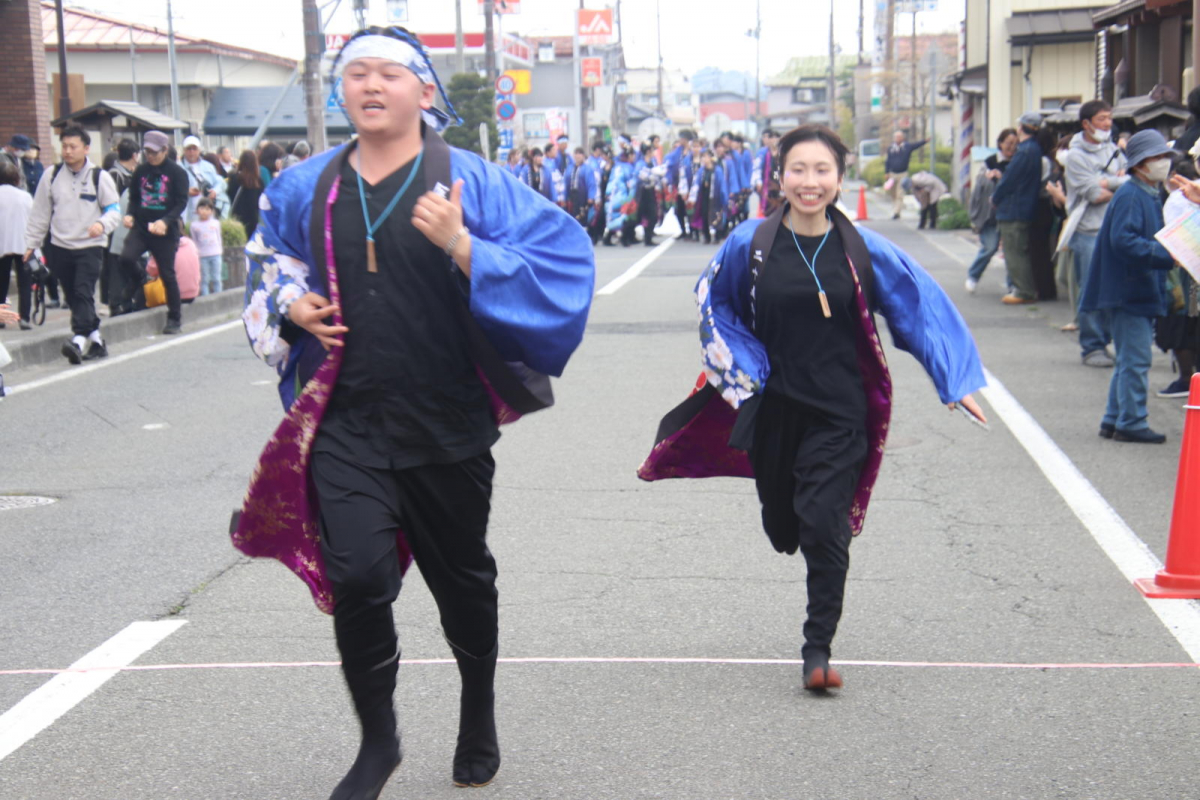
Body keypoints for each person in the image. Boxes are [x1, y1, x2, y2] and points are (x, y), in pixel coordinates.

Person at [229, 25, 593, 799]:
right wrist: (290, 303)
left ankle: (479, 710)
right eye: (354, 73)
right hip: (345, 421)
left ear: (424, 92)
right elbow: (266, 257)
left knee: (462, 582)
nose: (369, 86)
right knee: (359, 576)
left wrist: (467, 247)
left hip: (445, 419)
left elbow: (564, 261)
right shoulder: (308, 186)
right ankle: (379, 741)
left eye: (388, 74)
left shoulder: (474, 181)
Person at [638, 123, 985, 692]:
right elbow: (713, 305)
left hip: (840, 411)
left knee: (824, 523)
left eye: (822, 170)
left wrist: (953, 378)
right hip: (774, 408)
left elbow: (916, 308)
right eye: (798, 169)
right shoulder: (748, 244)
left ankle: (817, 648)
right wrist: (742, 367)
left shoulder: (862, 249)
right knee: (785, 523)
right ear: (780, 176)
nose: (810, 181)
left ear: (840, 179)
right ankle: (790, 522)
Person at [1079, 130, 1177, 444]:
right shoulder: (1134, 194)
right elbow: (1123, 241)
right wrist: (1166, 254)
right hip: (1129, 290)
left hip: (1129, 288)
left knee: (1127, 359)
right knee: (1136, 360)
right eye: (1158, 157)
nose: (1164, 162)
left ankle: (1114, 418)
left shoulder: (1141, 191)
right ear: (1141, 163)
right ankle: (1132, 421)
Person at [23, 126, 121, 362]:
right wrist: (31, 245)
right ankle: (96, 341)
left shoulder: (100, 177)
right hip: (59, 246)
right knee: (74, 296)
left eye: (72, 146)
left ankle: (77, 340)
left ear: (86, 148)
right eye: (64, 146)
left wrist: (102, 224)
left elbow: (114, 211)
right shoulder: (51, 175)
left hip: (90, 246)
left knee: (82, 291)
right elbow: (40, 214)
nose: (67, 151)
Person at [1064, 101, 1125, 367]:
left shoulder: (1113, 149)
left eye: (1109, 118)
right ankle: (1091, 346)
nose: (1107, 124)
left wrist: (1108, 182)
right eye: (1102, 119)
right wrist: (1117, 182)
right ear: (1086, 123)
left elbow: (1131, 179)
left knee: (1114, 287)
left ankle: (1108, 340)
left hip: (1113, 229)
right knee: (1089, 288)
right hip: (1087, 230)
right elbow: (1094, 193)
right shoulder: (1075, 156)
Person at [118, 130, 190, 333]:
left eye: (155, 152)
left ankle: (174, 318)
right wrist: (130, 214)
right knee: (126, 258)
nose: (150, 156)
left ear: (165, 150)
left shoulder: (177, 172)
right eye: (147, 151)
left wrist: (166, 221)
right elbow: (134, 197)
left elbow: (181, 202)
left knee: (167, 274)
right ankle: (141, 277)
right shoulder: (141, 171)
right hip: (142, 227)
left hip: (165, 231)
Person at [990, 112, 1044, 304]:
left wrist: (996, 197)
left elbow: (1009, 179)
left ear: (1021, 127)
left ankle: (1023, 291)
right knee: (1018, 249)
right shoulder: (1035, 149)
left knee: (1015, 251)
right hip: (1025, 206)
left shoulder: (1025, 151)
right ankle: (1023, 289)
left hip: (1014, 208)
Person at [965, 128, 1017, 293]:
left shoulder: (1018, 161)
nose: (1012, 147)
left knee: (1011, 250)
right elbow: (980, 183)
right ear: (1000, 143)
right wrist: (989, 177)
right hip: (990, 213)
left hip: (1010, 211)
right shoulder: (989, 161)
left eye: (1015, 144)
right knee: (990, 247)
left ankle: (1012, 285)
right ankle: (973, 275)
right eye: (1009, 143)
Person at [0, 162, 33, 329]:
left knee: (1, 282)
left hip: (2, 243)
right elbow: (33, 219)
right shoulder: (25, 196)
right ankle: (24, 317)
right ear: (16, 178)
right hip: (23, 243)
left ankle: (1, 317)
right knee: (24, 282)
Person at [180, 135, 226, 224]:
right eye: (189, 149)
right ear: (184, 150)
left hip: (206, 211)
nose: (192, 152)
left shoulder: (208, 166)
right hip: (186, 212)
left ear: (199, 150)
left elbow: (220, 182)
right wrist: (186, 191)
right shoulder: (178, 167)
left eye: (194, 149)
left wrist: (214, 191)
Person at [884, 130, 928, 219]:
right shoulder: (891, 148)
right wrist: (887, 172)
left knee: (900, 193)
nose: (897, 139)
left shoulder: (907, 146)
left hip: (903, 173)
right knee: (893, 193)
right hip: (892, 173)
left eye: (899, 137)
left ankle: (897, 212)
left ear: (902, 138)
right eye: (896, 137)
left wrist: (925, 141)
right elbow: (887, 161)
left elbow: (916, 145)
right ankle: (896, 208)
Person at [226, 149, 264, 238]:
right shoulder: (258, 181)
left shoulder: (234, 178)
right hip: (253, 220)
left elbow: (229, 195)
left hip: (236, 219)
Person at [190, 198, 223, 295]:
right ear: (197, 210)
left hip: (216, 254)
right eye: (202, 208)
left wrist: (220, 250)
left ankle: (219, 297)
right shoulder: (194, 225)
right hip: (202, 255)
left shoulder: (215, 223)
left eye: (208, 209)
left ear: (212, 211)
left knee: (217, 278)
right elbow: (194, 240)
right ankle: (206, 297)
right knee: (204, 279)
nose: (205, 211)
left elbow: (218, 237)